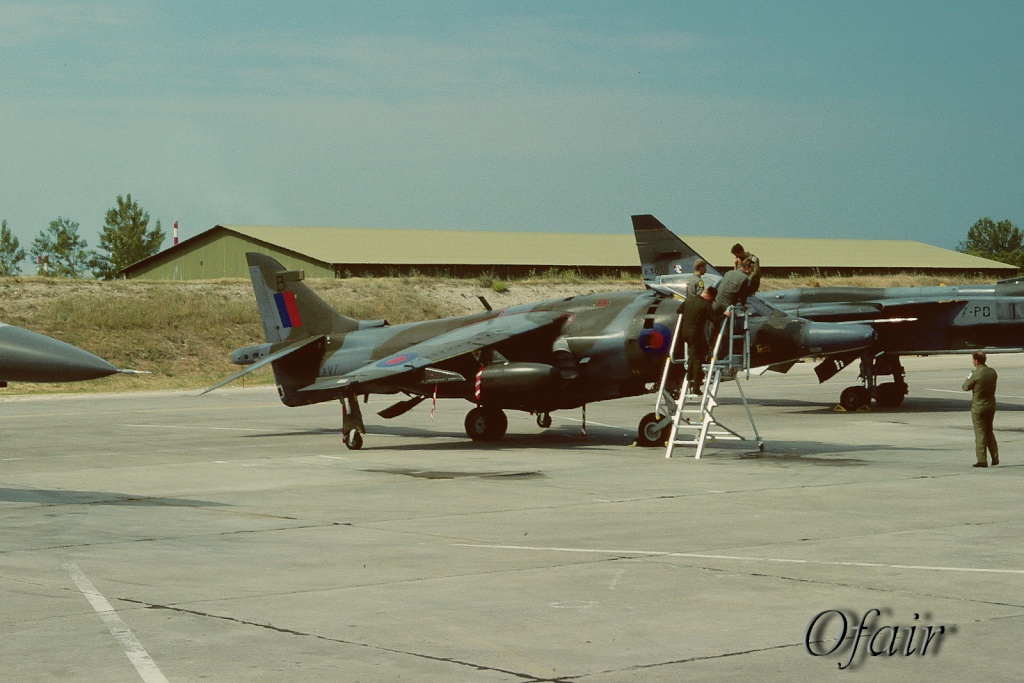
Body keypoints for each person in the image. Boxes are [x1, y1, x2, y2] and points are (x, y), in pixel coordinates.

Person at [963, 351, 999, 467]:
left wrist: (970, 376)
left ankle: (982, 460)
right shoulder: (992, 372)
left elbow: (965, 387)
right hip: (990, 405)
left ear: (976, 361)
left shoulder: (976, 374)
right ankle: (995, 457)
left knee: (980, 433)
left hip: (978, 407)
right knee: (989, 431)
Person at [681, 285, 716, 393]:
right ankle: (696, 387)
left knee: (693, 353)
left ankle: (689, 375)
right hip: (694, 334)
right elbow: (715, 319)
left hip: (684, 333)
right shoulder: (705, 305)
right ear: (709, 295)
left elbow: (679, 310)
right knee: (698, 359)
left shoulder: (689, 300)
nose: (711, 301)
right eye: (712, 299)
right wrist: (725, 315)